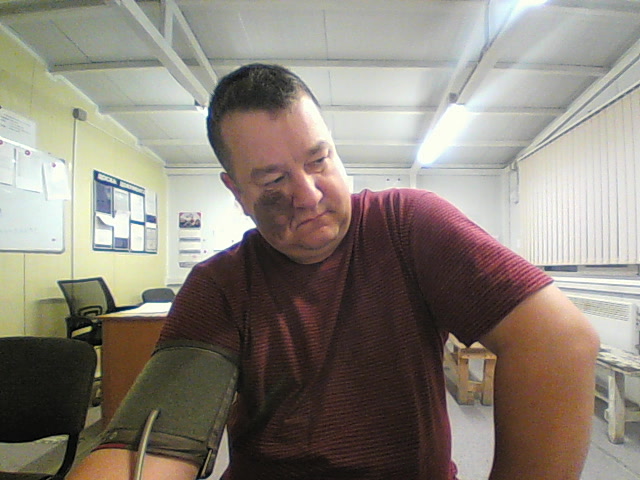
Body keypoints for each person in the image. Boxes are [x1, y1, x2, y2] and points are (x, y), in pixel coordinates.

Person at [69, 64, 600, 480]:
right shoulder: (222, 284)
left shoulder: (408, 226)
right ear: (237, 192)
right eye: (272, 180)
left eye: (318, 160)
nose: (308, 195)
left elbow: (559, 341)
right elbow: (152, 444)